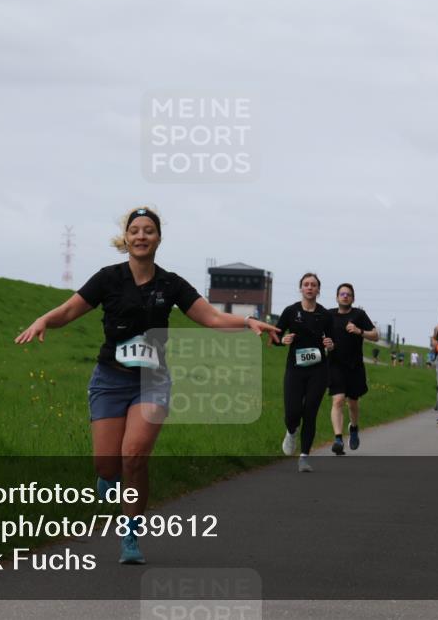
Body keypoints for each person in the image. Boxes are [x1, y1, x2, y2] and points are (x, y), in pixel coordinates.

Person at [15, 206, 279, 564]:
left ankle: (130, 538)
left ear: (158, 238)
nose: (141, 236)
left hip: (152, 381)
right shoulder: (108, 278)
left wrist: (248, 322)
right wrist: (43, 320)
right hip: (110, 380)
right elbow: (69, 311)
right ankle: (107, 480)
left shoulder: (171, 284)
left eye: (149, 230)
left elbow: (212, 316)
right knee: (107, 465)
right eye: (135, 230)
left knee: (134, 455)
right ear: (126, 238)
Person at [275, 273, 336, 473]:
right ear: (300, 288)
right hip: (295, 369)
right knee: (292, 412)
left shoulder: (326, 315)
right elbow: (275, 335)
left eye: (313, 285)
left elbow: (334, 341)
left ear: (318, 290)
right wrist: (282, 340)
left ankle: (304, 457)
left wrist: (331, 344)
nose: (309, 287)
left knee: (310, 411)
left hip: (318, 370)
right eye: (306, 284)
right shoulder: (291, 311)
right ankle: (291, 432)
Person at [327, 283, 378, 455]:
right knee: (338, 400)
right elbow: (320, 335)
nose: (345, 296)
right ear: (336, 297)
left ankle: (354, 428)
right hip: (335, 364)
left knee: (353, 403)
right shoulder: (329, 315)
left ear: (353, 298)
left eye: (348, 294)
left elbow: (375, 335)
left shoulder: (359, 314)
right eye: (342, 294)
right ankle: (338, 439)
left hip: (354, 366)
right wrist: (326, 344)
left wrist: (359, 330)